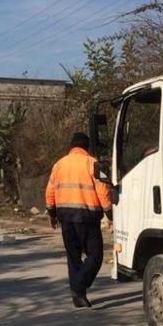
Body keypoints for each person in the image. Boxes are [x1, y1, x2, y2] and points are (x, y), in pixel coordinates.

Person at [45, 132, 113, 308]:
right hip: (87, 216)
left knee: (73, 256)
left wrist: (51, 213)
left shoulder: (59, 164)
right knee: (95, 256)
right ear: (87, 147)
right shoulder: (93, 163)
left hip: (65, 217)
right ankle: (78, 287)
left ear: (72, 146)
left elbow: (50, 191)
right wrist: (110, 215)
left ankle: (78, 295)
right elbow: (103, 190)